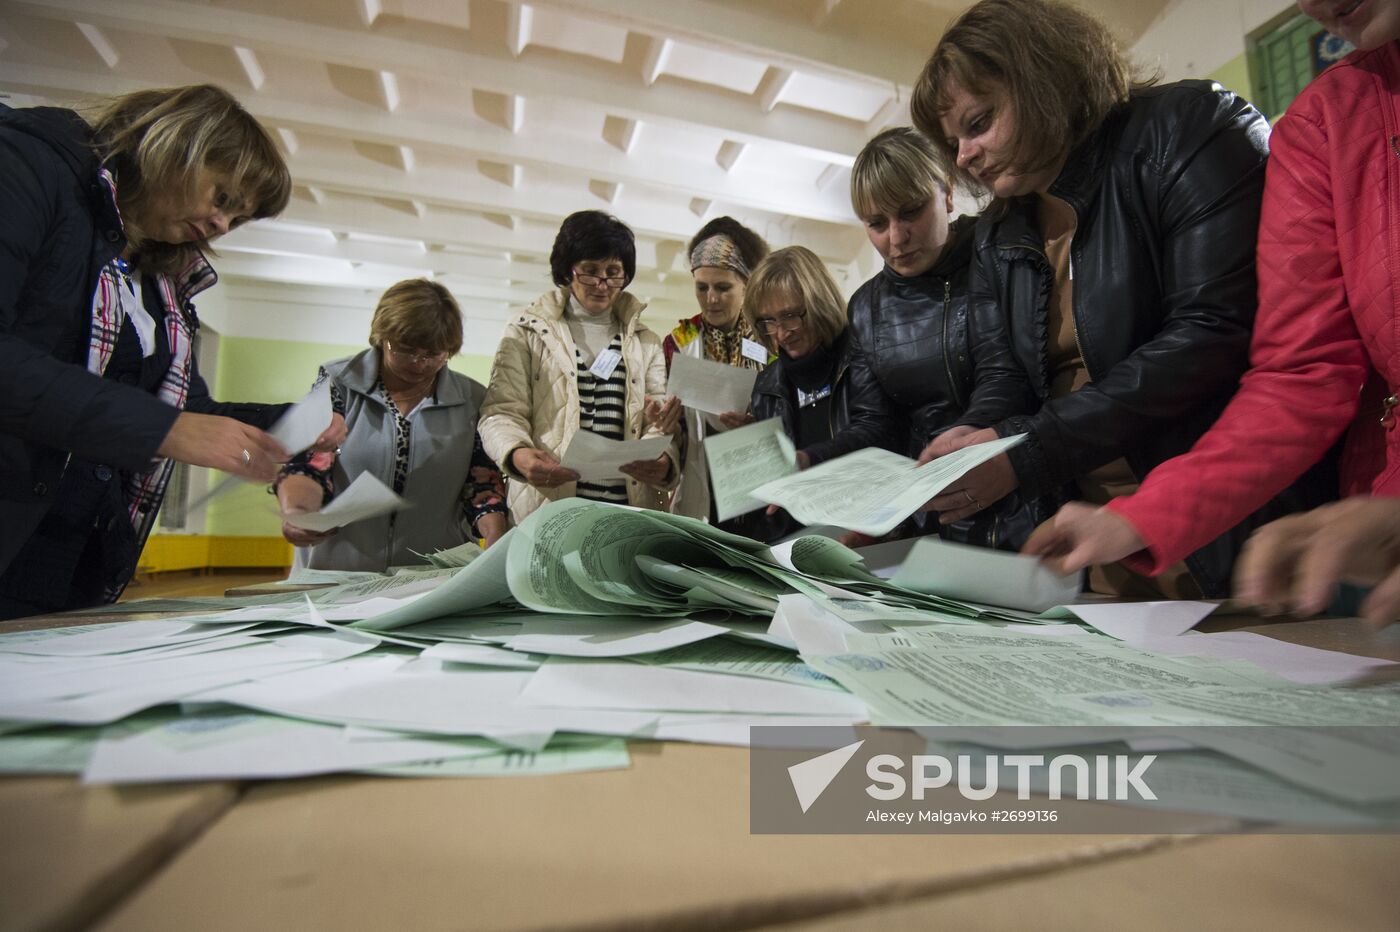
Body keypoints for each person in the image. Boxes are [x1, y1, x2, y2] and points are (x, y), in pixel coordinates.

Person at [907, 0, 1330, 599]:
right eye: (954, 141)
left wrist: (1028, 453)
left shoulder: (1186, 128)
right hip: (1089, 540)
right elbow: (1009, 372)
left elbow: (1209, 336)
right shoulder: (1001, 230)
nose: (963, 158)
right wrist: (977, 433)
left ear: (1044, 83)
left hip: (1223, 531)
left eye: (978, 124)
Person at [1023, 0, 1400, 612]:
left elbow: (1206, 333)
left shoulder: (1193, 128)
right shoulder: (1322, 122)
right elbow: (1301, 375)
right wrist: (1143, 517)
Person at [0, 83, 341, 618]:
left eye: (238, 218)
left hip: (76, 549)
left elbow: (183, 411)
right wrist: (166, 430)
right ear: (178, 145)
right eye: (223, 198)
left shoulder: (162, 284)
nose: (222, 225)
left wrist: (295, 421)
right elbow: (165, 422)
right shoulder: (30, 166)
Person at [845, 126, 1039, 550]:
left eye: (911, 211)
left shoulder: (997, 248)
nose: (896, 238)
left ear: (947, 195)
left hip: (1022, 498)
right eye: (877, 224)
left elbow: (1009, 373)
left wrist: (967, 431)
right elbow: (876, 425)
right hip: (928, 519)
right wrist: (811, 465)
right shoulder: (864, 308)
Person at [275, 279, 508, 571]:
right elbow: (308, 461)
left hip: (433, 575)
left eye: (434, 354)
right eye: (405, 349)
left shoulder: (471, 399)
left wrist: (497, 537)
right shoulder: (338, 384)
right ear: (381, 336)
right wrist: (298, 514)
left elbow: (482, 483)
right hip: (338, 572)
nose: (419, 363)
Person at [478, 210, 677, 524]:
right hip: (548, 508)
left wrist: (663, 458)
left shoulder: (646, 341)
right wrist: (518, 455)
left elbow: (659, 418)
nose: (602, 283)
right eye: (590, 270)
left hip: (627, 512)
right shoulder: (525, 332)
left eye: (613, 271)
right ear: (568, 270)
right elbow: (501, 412)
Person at [737, 245, 895, 542]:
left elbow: (876, 432)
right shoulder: (767, 384)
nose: (781, 333)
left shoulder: (861, 350)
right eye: (768, 321)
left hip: (867, 534)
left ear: (819, 302)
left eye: (790, 316)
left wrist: (808, 459)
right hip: (795, 545)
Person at [648, 216, 771, 522]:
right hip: (703, 485)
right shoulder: (678, 341)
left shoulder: (770, 338)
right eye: (701, 287)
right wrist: (665, 423)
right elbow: (673, 429)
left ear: (747, 283)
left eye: (723, 287)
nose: (711, 299)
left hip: (759, 488)